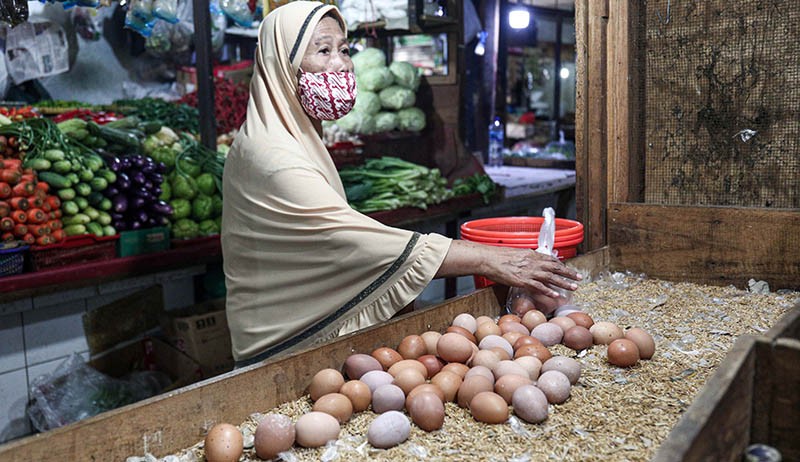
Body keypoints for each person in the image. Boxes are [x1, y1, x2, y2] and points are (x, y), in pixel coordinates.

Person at [222, 1, 581, 368]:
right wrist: (487, 258)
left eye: (345, 49)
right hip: (277, 350)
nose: (342, 63)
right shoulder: (270, 153)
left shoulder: (294, 134)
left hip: (300, 338)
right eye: (323, 50)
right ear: (281, 63)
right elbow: (349, 239)